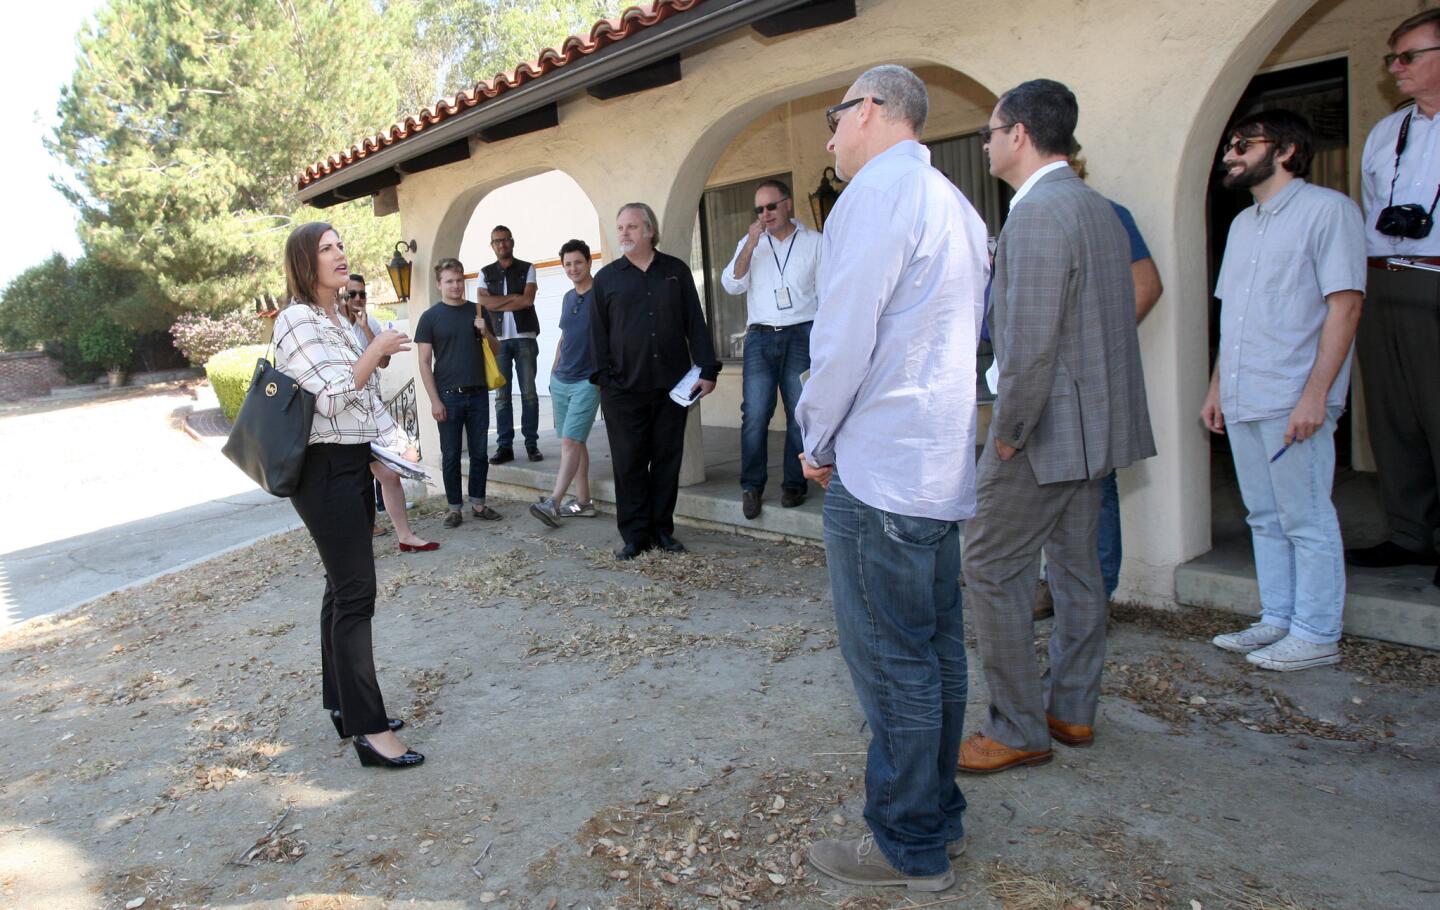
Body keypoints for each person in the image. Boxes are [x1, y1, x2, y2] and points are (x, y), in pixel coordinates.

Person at [797, 64, 988, 892]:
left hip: (880, 473)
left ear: (870, 111)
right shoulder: (955, 202)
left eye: (837, 120)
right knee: (937, 656)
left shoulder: (875, 197)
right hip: (937, 467)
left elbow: (842, 339)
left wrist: (815, 433)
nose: (832, 137)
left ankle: (908, 845)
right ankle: (935, 813)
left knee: (892, 664)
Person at [959, 79, 1154, 774]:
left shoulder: (1039, 214)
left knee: (987, 563)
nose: (985, 144)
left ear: (1017, 135)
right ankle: (1070, 708)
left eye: (990, 131)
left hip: (1042, 431)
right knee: (1077, 574)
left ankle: (1017, 726)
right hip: (1091, 428)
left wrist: (1009, 428)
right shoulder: (1097, 208)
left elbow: (1032, 342)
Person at [1204, 110, 1366, 670]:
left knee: (1306, 516)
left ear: (1287, 151)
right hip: (1246, 393)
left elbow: (1344, 306)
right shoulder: (1242, 224)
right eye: (1230, 143)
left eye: (1243, 143)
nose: (1231, 152)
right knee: (1263, 516)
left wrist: (1317, 395)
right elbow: (1236, 317)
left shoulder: (1329, 212)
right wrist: (1217, 386)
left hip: (1296, 395)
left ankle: (1317, 632)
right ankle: (1277, 618)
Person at [271, 221, 422, 769]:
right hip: (322, 472)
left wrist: (396, 447)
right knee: (356, 595)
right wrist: (376, 346)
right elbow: (334, 397)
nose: (340, 254)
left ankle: (341, 705)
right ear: (305, 264)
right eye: (326, 248)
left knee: (341, 590)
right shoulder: (295, 321)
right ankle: (369, 729)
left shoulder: (337, 319)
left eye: (341, 245)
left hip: (352, 463)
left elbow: (365, 402)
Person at [1035, 197, 1163, 615]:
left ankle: (1096, 598)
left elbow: (1146, 284)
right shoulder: (1028, 213)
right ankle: (1059, 586)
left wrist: (1095, 347)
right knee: (1047, 490)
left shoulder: (1107, 214)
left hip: (1086, 382)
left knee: (1097, 490)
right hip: (1040, 381)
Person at [1348, 7, 1440, 581]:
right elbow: (1368, 212)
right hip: (1384, 278)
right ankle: (1410, 533)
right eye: (1393, 58)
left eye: (1409, 56)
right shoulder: (1389, 131)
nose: (1395, 67)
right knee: (1393, 416)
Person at [590, 203, 720, 559]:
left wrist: (708, 370)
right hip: (622, 391)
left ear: (650, 230)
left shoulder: (675, 272)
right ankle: (635, 536)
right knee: (629, 464)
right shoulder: (606, 279)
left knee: (666, 462)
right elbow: (597, 335)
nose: (624, 233)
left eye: (632, 227)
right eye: (620, 228)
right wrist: (605, 380)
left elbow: (695, 322)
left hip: (671, 389)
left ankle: (663, 531)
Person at [721, 179, 822, 519]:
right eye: (759, 209)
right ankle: (752, 486)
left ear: (788, 204)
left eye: (771, 206)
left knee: (799, 414)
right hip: (760, 336)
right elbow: (732, 284)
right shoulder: (750, 243)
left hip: (802, 334)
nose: (765, 214)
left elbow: (827, 295)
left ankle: (794, 484)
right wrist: (750, 244)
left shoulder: (814, 243)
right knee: (755, 414)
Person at [342, 274, 437, 553]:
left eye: (362, 294)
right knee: (351, 480)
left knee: (389, 474)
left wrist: (367, 330)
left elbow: (382, 361)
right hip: (345, 412)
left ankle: (405, 536)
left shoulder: (369, 323)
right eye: (352, 295)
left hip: (371, 407)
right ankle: (351, 545)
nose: (358, 299)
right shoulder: (332, 324)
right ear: (341, 297)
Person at [415, 258, 503, 528]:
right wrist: (434, 400)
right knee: (451, 454)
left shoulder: (477, 311)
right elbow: (423, 362)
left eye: (459, 280)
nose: (455, 286)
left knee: (479, 452)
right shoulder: (430, 317)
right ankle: (454, 508)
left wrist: (485, 330)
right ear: (439, 284)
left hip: (477, 394)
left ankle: (478, 503)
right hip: (448, 396)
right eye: (449, 281)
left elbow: (496, 350)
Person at [530, 240, 602, 527]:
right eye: (568, 264)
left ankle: (554, 502)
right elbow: (565, 337)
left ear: (589, 263)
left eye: (578, 262)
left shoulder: (602, 296)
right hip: (561, 378)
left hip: (588, 380)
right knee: (576, 441)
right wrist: (553, 369)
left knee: (570, 441)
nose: (573, 268)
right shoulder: (568, 298)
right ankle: (583, 502)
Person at [478, 225, 542, 464]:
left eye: (505, 240)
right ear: (492, 245)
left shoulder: (528, 268)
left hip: (525, 336)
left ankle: (531, 444)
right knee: (501, 396)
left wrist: (498, 302)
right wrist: (513, 300)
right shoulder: (485, 272)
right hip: (498, 340)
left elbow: (528, 300)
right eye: (496, 241)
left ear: (512, 242)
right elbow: (484, 303)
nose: (501, 244)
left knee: (529, 394)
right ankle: (505, 447)